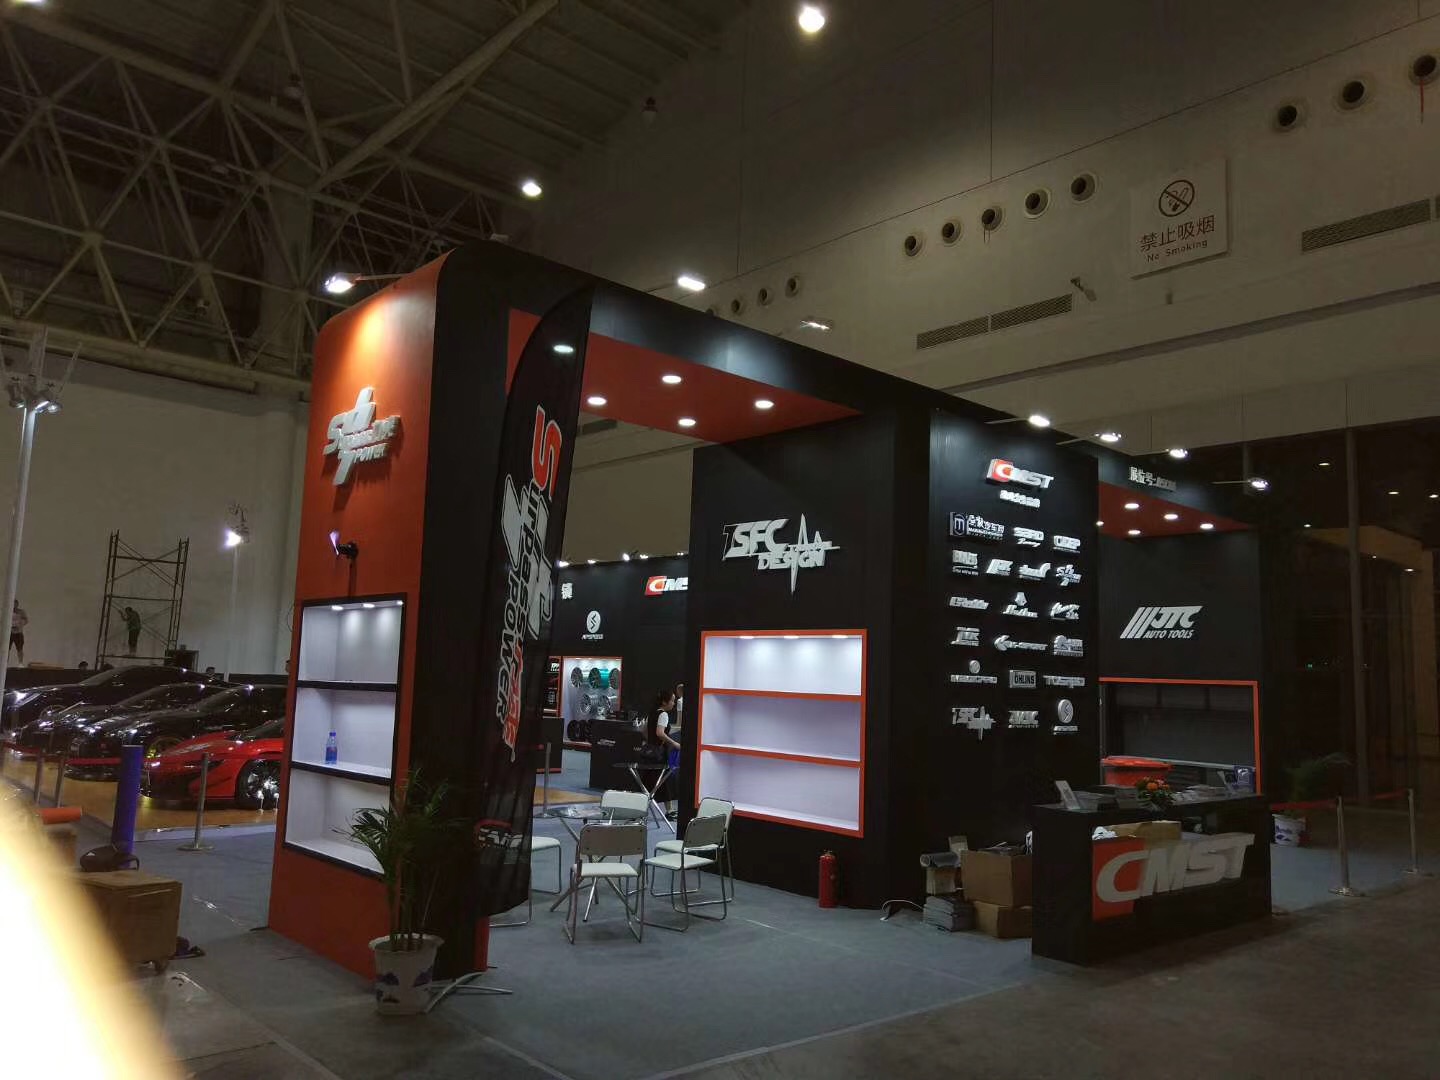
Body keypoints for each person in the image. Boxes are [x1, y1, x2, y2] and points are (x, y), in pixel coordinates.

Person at [648, 689, 681, 815]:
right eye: (672, 700)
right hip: (659, 753)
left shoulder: (652, 712)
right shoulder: (663, 715)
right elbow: (660, 733)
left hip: (649, 752)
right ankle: (669, 810)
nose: (674, 703)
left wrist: (650, 741)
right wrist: (674, 743)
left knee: (649, 780)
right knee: (664, 779)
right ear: (664, 702)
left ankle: (668, 809)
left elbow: (644, 730)